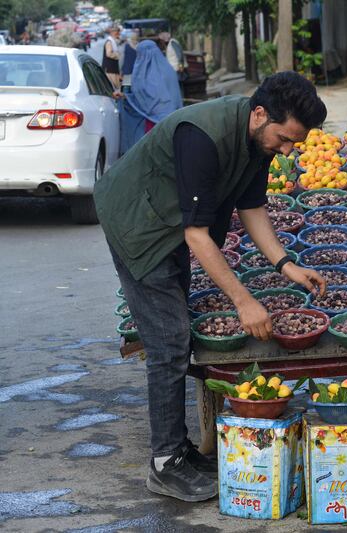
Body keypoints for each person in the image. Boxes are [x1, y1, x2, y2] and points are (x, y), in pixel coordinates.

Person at [93, 72, 328, 502]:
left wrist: (286, 265)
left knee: (175, 328)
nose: (288, 150)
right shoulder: (201, 136)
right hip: (138, 224)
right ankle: (165, 463)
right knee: (169, 342)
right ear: (259, 114)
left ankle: (180, 450)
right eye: (284, 139)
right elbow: (197, 236)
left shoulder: (258, 140)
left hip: (170, 222)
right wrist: (244, 302)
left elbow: (252, 206)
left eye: (295, 142)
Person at [123, 39, 183, 137]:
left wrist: (125, 94)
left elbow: (139, 93)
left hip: (153, 122)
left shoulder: (142, 75)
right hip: (173, 118)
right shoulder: (168, 70)